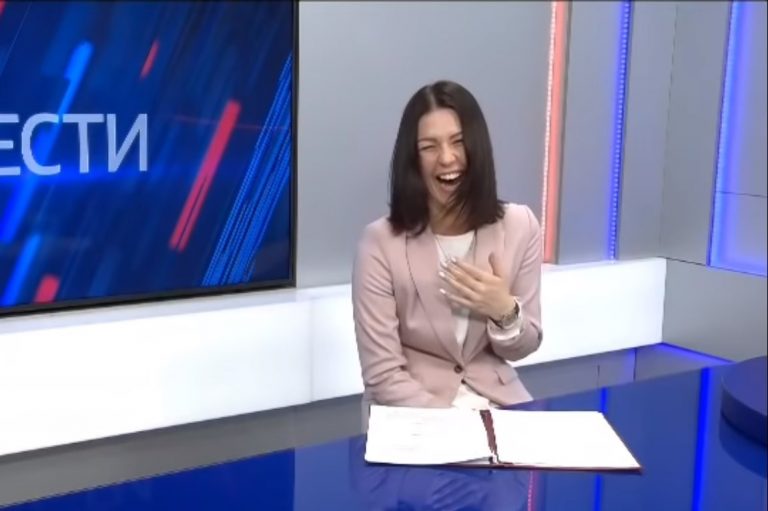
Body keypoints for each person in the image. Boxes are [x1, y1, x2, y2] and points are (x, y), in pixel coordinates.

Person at [352, 80, 543, 419]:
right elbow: (382, 375)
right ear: (413, 160)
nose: (447, 158)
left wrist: (503, 310)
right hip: (414, 412)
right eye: (429, 147)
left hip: (498, 405)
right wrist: (457, 428)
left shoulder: (520, 225)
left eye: (458, 142)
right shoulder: (379, 243)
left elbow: (523, 348)